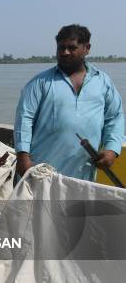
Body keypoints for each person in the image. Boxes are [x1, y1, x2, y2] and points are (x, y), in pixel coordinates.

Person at [15, 24, 124, 181]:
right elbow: (24, 118)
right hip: (40, 172)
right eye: (61, 48)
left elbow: (115, 118)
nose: (65, 52)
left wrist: (112, 150)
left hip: (82, 175)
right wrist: (23, 157)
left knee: (76, 207)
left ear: (87, 48)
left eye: (71, 48)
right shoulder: (40, 82)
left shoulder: (103, 81)